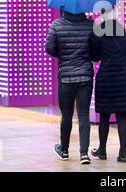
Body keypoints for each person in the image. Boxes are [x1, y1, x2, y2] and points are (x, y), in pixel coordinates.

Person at [90, 8, 126, 162]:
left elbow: (94, 57)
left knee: (104, 117)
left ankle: (102, 151)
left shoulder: (98, 34)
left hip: (105, 78)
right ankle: (123, 153)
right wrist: (124, 60)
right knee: (121, 117)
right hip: (123, 78)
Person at [45, 9, 94, 165]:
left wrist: (63, 52)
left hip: (65, 77)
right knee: (83, 115)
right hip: (85, 76)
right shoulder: (90, 25)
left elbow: (50, 48)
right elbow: (95, 53)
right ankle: (84, 154)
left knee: (66, 115)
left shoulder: (56, 25)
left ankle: (64, 150)